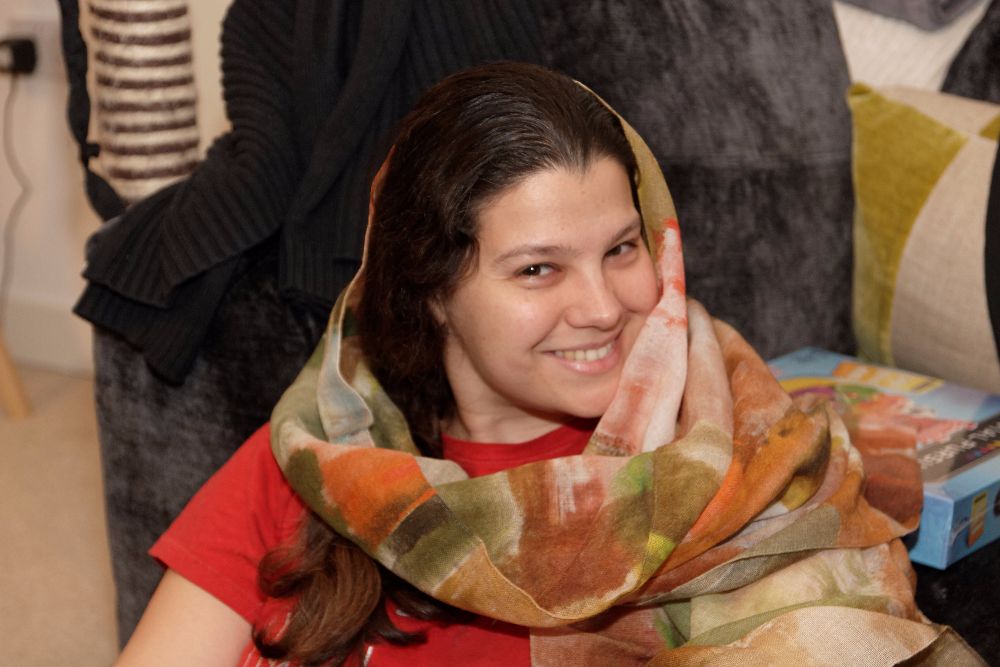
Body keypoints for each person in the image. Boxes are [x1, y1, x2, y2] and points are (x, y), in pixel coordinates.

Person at [115, 62, 981, 666]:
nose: (603, 305)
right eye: (538, 269)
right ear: (431, 290)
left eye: (622, 248)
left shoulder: (742, 471)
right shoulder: (317, 458)